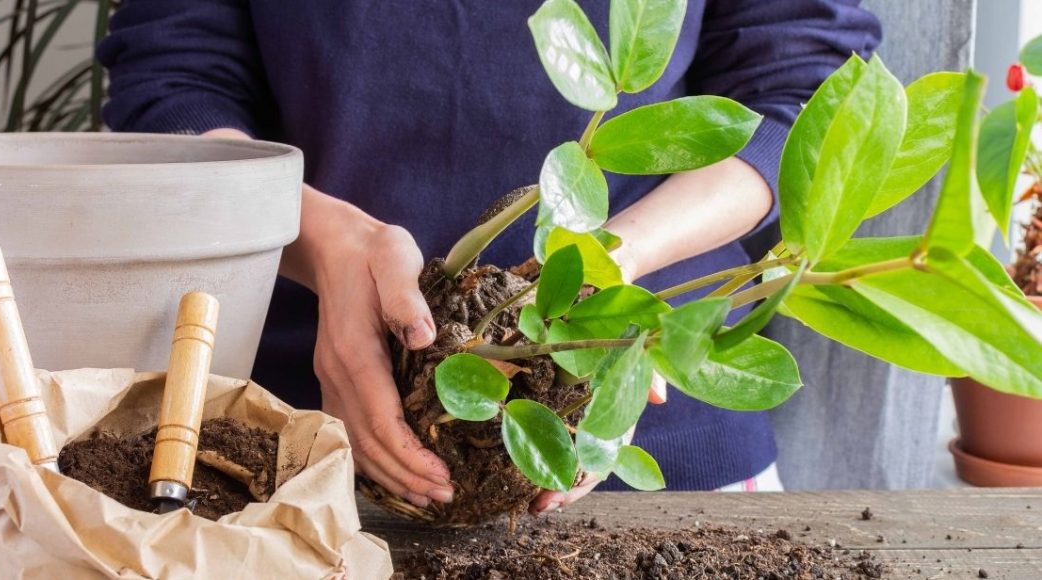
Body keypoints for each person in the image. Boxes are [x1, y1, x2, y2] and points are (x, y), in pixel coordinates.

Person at [98, 0, 881, 512]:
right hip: (291, 451)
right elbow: (174, 82)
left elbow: (805, 93)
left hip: (662, 449)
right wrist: (325, 244)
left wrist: (616, 263)